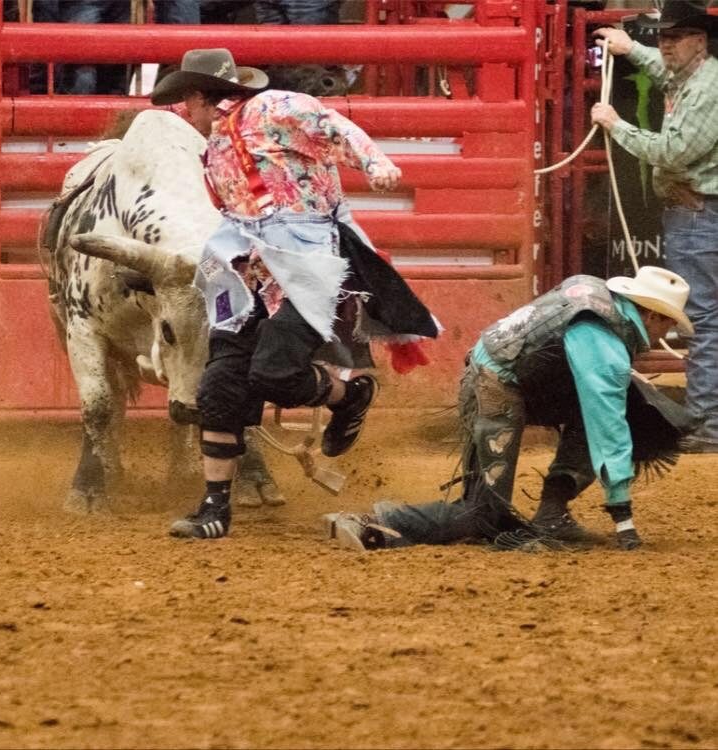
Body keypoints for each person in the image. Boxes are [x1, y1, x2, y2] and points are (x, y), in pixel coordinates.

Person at [149, 49, 440, 540]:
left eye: (182, 101)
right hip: (250, 272)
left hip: (312, 267)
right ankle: (214, 508)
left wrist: (376, 163)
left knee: (273, 371)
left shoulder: (274, 108)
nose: (179, 112)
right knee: (219, 383)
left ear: (200, 96)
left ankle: (350, 395)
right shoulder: (213, 145)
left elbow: (332, 126)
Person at [324, 267, 694, 553]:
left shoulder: (593, 296)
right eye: (665, 321)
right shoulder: (604, 342)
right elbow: (607, 424)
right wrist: (622, 515)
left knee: (618, 399)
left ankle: (552, 515)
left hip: (508, 374)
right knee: (481, 514)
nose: (663, 330)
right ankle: (375, 522)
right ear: (652, 316)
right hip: (497, 384)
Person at [590, 1, 718, 453]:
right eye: (660, 38)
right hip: (697, 211)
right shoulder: (696, 78)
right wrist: (631, 49)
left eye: (673, 37)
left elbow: (675, 151)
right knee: (707, 317)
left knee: (703, 319)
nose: (664, 45)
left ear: (698, 42)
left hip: (701, 213)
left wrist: (616, 124)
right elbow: (669, 77)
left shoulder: (707, 88)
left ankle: (708, 426)